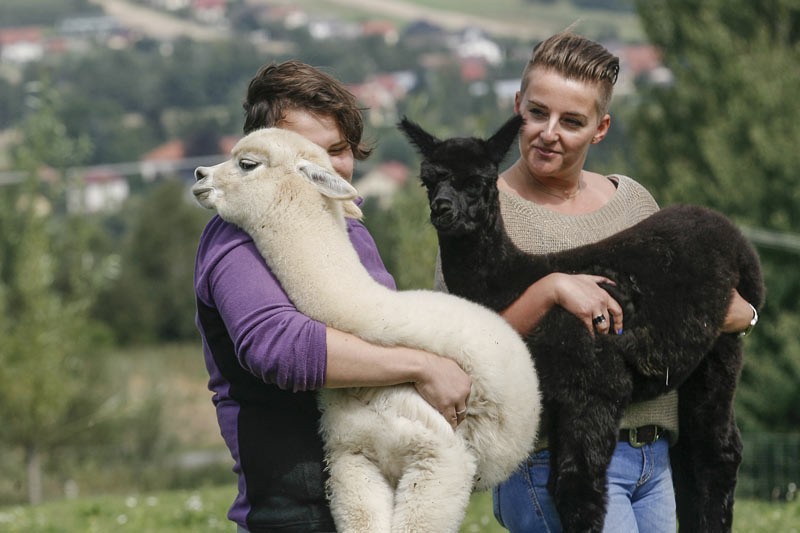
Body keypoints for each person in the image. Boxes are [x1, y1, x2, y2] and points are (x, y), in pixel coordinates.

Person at [432, 32, 757, 532]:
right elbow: (459, 357)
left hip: (655, 461)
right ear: (517, 106)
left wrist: (742, 316)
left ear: (600, 128)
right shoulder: (480, 212)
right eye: (537, 113)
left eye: (572, 121)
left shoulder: (632, 203)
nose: (549, 132)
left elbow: (685, 315)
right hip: (552, 464)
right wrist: (546, 291)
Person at [194, 60, 472, 533]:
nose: (325, 164)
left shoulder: (347, 225)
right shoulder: (235, 239)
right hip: (294, 512)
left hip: (380, 499)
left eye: (338, 149)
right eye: (305, 150)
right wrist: (422, 366)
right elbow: (279, 347)